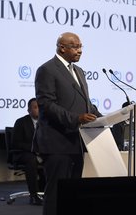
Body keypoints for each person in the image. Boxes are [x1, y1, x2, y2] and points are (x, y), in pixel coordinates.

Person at [34, 32, 102, 215]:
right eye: (75, 47)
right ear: (61, 47)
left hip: (76, 142)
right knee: (56, 192)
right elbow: (46, 105)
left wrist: (104, 118)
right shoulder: (47, 70)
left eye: (81, 47)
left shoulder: (79, 71)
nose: (80, 51)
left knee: (73, 192)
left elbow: (86, 103)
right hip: (56, 142)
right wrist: (76, 119)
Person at [11, 97, 46, 205]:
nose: (38, 110)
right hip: (23, 154)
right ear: (29, 110)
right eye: (35, 107)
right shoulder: (21, 122)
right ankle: (34, 195)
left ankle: (47, 193)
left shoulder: (46, 123)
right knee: (31, 159)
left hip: (42, 153)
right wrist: (33, 148)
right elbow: (16, 143)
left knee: (56, 158)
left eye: (40, 107)